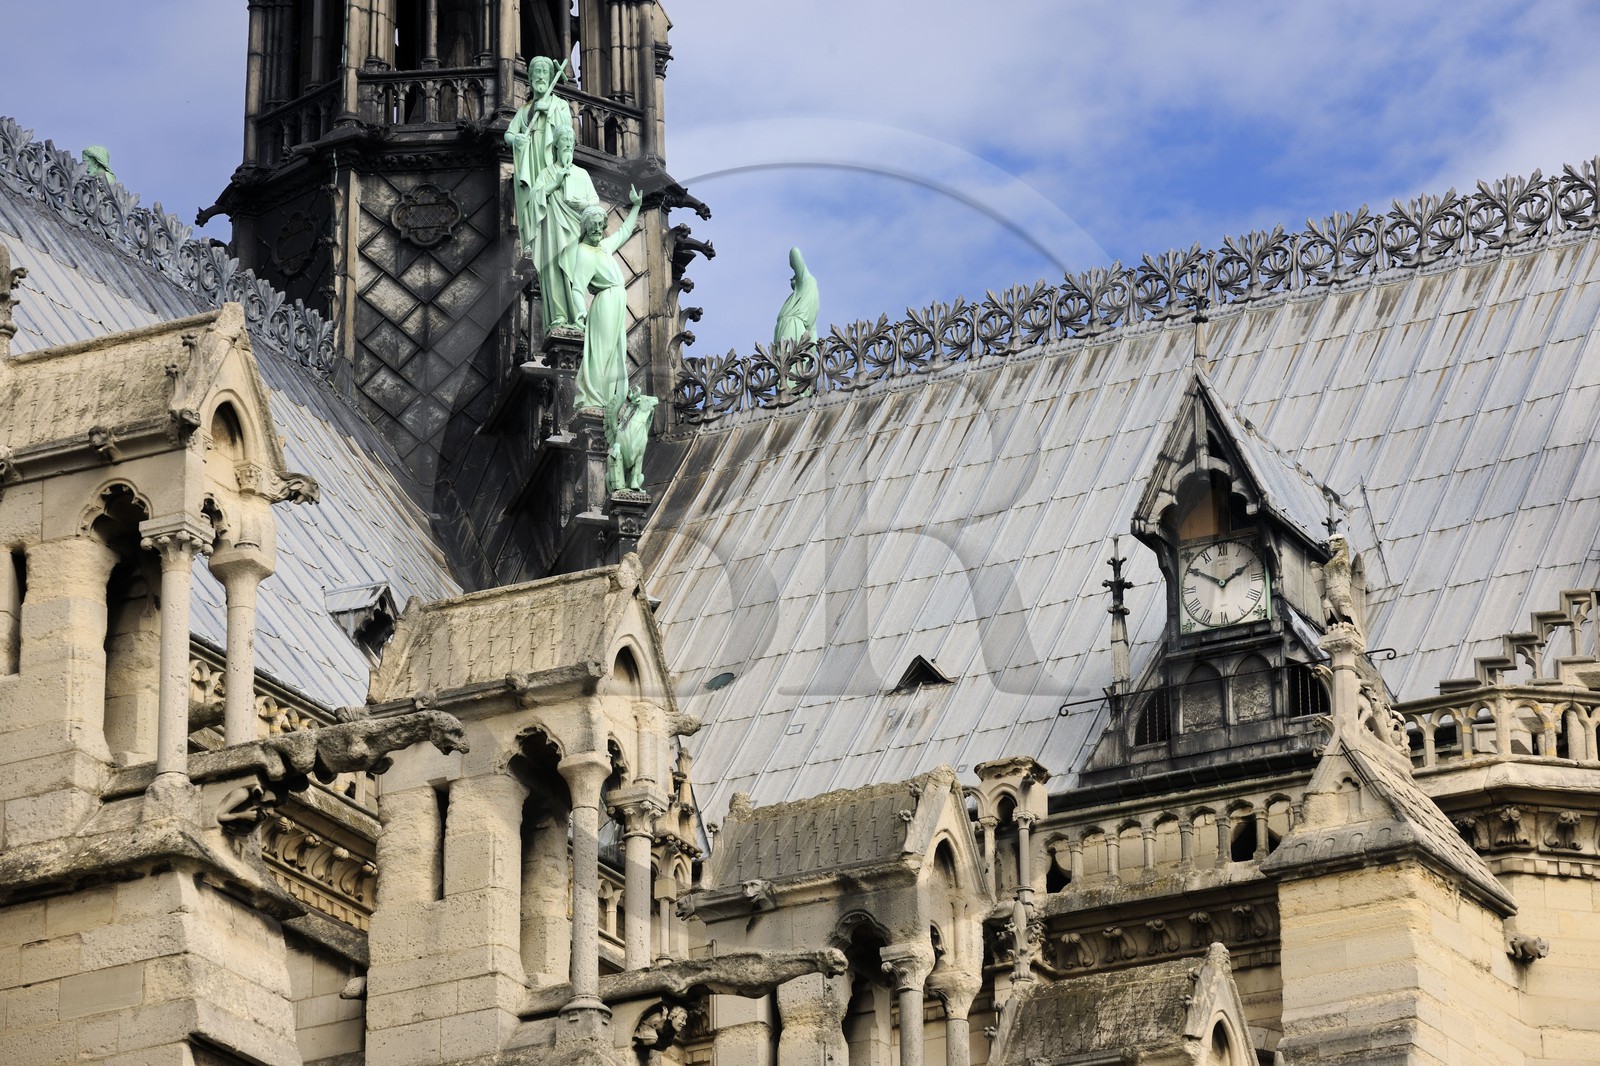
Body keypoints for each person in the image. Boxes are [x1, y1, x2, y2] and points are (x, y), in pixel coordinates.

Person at [572, 186, 643, 411]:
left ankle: (605, 397)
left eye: (599, 225)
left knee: (613, 352)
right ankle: (595, 398)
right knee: (602, 352)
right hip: (604, 302)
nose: (596, 229)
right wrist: (580, 312)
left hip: (616, 300)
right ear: (585, 226)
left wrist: (636, 206)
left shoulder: (603, 246)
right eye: (592, 225)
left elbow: (624, 232)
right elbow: (577, 288)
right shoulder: (583, 252)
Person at [529, 125, 600, 330]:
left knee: (575, 270)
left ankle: (578, 315)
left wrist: (583, 204)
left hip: (576, 228)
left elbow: (594, 200)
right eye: (564, 140)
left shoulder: (582, 173)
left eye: (570, 141)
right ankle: (559, 316)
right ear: (556, 146)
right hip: (553, 231)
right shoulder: (547, 173)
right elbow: (534, 199)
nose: (568, 144)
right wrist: (556, 182)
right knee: (554, 270)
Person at [505, 57, 572, 261]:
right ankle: (532, 240)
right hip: (530, 158)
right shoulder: (525, 109)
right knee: (531, 198)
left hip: (549, 157)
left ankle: (551, 237)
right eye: (537, 72)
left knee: (549, 195)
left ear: (551, 77)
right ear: (531, 78)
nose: (541, 76)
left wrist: (549, 110)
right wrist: (517, 139)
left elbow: (568, 131)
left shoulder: (560, 104)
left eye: (545, 72)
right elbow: (508, 134)